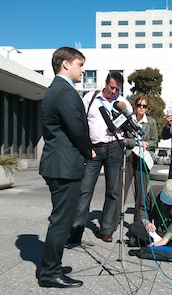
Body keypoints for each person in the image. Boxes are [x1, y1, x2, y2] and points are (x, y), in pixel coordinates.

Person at [38, 47, 93, 288]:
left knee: (61, 217)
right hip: (64, 166)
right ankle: (50, 272)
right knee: (62, 220)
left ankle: (53, 264)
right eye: (80, 65)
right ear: (65, 64)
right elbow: (78, 129)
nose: (83, 69)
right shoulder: (64, 93)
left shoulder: (56, 90)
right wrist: (88, 150)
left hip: (58, 163)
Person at [68, 71, 132, 244]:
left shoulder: (123, 103)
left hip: (115, 149)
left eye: (117, 89)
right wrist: (85, 148)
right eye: (111, 87)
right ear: (105, 82)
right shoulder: (90, 98)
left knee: (113, 191)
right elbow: (80, 122)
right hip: (93, 149)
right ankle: (76, 230)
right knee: (84, 190)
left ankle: (106, 229)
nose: (113, 92)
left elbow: (130, 125)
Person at [127, 179, 172, 247]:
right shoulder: (154, 190)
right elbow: (143, 209)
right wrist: (147, 223)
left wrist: (164, 240)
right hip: (157, 228)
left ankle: (146, 241)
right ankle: (169, 243)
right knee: (133, 226)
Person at [125, 96, 158, 222]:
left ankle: (138, 223)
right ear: (135, 106)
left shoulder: (151, 122)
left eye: (144, 106)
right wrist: (135, 143)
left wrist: (146, 144)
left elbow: (155, 141)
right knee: (121, 190)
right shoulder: (128, 121)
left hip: (143, 159)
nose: (141, 108)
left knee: (141, 193)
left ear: (147, 108)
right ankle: (114, 222)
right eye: (139, 105)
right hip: (129, 157)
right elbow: (123, 139)